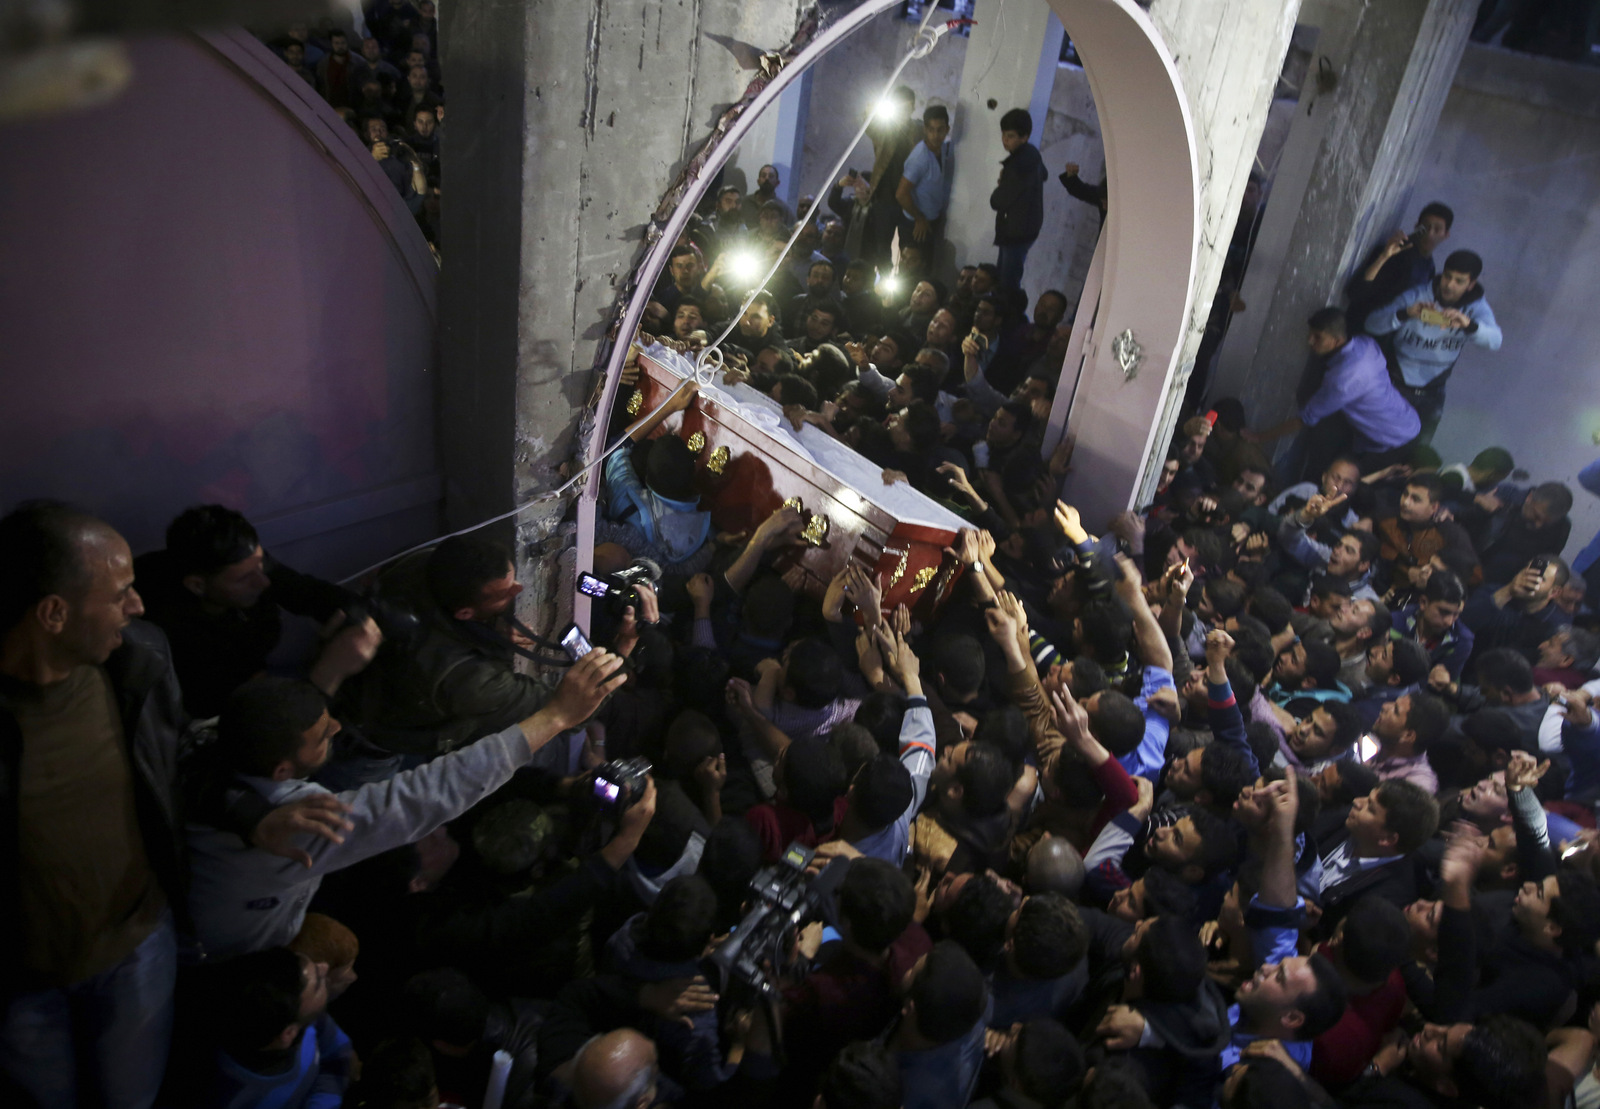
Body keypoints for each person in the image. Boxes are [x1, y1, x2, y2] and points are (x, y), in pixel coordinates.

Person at [0, 501, 350, 1109]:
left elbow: (185, 760)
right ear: (54, 613)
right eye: (120, 594)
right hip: (22, 986)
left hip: (135, 946)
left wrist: (250, 814)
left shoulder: (138, 661)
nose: (137, 607)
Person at [187, 651, 624, 958]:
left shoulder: (210, 749)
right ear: (282, 771)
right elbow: (424, 796)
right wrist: (555, 718)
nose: (337, 727)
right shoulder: (296, 829)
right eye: (323, 735)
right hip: (227, 958)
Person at [133, 504, 364, 718]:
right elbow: (257, 709)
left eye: (261, 564)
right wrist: (330, 670)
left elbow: (306, 591)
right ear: (197, 585)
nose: (263, 582)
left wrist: (357, 614)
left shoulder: (245, 562)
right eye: (244, 578)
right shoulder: (168, 628)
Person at [1245, 308, 1419, 476]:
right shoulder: (1365, 344)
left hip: (1390, 441)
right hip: (1408, 421)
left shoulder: (1342, 380)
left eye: (1318, 337)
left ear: (1336, 341)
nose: (1309, 341)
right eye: (1311, 334)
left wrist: (1259, 437)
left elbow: (1304, 419)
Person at [1365, 250, 1502, 443]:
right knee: (1375, 439)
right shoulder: (1418, 295)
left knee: (1417, 453)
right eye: (1447, 276)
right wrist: (1405, 314)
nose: (1449, 285)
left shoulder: (1477, 307)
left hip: (1433, 390)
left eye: (1459, 281)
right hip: (1395, 381)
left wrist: (1469, 325)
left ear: (1471, 284)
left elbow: (1495, 341)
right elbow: (1371, 324)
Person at [202, 946, 353, 1108]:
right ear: (288, 1034)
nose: (325, 966)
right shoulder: (230, 1097)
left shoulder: (305, 1014)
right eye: (317, 984)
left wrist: (324, 1100)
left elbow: (337, 1055)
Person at [1344, 202, 1454, 333]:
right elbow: (1355, 292)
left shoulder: (1429, 267)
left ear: (1446, 235)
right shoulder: (1395, 251)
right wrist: (1384, 256)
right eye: (1426, 227)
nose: (1430, 234)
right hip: (1360, 328)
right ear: (1417, 227)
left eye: (1437, 230)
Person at [989, 109, 1047, 292]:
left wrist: (1002, 184)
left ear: (1024, 137)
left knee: (1007, 282)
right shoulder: (1032, 155)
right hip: (1026, 228)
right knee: (1008, 276)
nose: (1005, 140)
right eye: (1004, 135)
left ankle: (1004, 315)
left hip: (1016, 231)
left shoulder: (1017, 166)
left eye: (1011, 136)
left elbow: (998, 201)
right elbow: (1044, 175)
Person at [897, 106, 952, 251]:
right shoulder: (920, 157)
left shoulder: (945, 149)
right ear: (925, 130)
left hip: (931, 221)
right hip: (914, 224)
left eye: (940, 130)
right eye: (931, 130)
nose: (935, 135)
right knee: (912, 268)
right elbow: (901, 194)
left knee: (926, 268)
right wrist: (919, 218)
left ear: (947, 129)